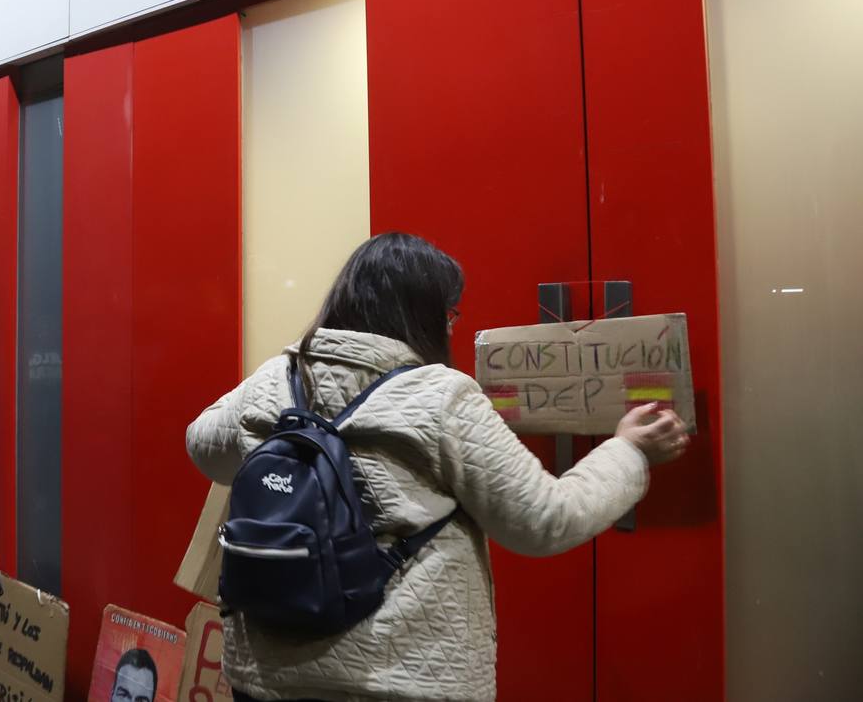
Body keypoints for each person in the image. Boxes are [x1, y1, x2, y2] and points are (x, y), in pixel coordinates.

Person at [185, 233, 689, 702]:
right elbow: (545, 521)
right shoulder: (441, 395)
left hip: (265, 680)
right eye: (451, 313)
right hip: (399, 682)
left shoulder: (279, 377)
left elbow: (203, 446)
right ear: (426, 316)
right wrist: (630, 451)